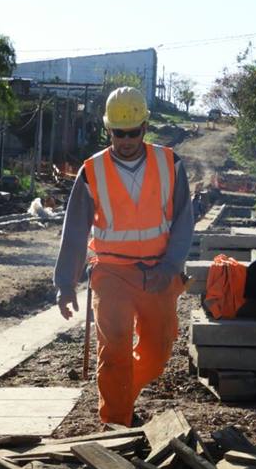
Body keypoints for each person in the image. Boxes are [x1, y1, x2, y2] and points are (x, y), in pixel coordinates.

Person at [54, 87, 193, 427]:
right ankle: (115, 424)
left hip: (158, 272)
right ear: (108, 130)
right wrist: (65, 284)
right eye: (119, 133)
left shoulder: (170, 164)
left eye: (133, 132)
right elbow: (74, 231)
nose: (126, 140)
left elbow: (184, 221)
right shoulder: (92, 171)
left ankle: (123, 395)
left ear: (145, 127)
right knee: (114, 350)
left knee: (158, 355)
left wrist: (171, 266)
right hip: (111, 272)